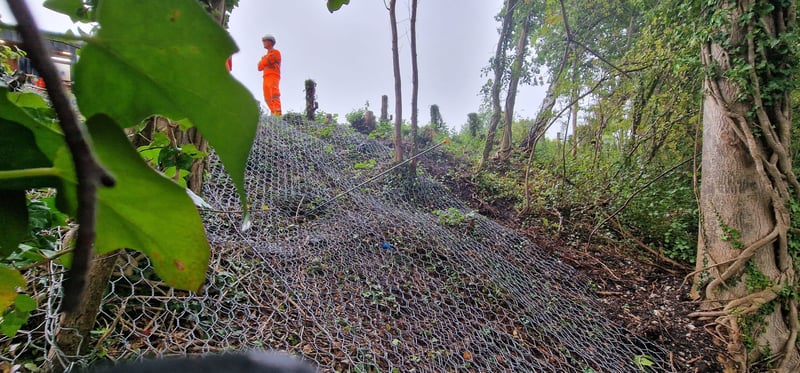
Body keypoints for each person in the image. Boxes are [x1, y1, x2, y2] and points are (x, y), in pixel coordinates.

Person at [257, 34, 281, 116]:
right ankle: (273, 113)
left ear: (270, 42)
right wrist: (265, 60)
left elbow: (267, 61)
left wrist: (264, 61)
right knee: (267, 97)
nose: (263, 43)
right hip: (265, 77)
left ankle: (277, 113)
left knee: (274, 94)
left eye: (265, 41)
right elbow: (259, 67)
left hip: (273, 75)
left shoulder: (276, 52)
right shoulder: (265, 56)